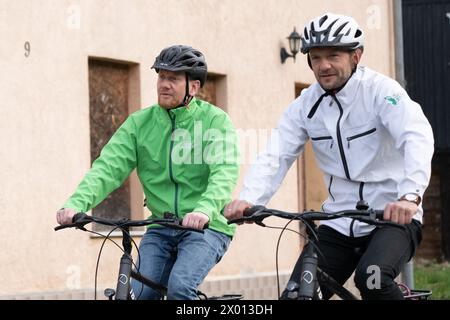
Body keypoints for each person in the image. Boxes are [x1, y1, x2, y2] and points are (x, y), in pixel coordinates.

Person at [225, 13, 434, 300]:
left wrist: (409, 196)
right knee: (297, 294)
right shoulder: (305, 105)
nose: (324, 66)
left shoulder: (382, 92)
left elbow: (416, 137)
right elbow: (276, 154)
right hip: (338, 221)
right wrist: (250, 199)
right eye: (316, 57)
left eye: (333, 56)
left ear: (356, 56)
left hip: (391, 217)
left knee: (371, 279)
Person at [56, 45, 239, 300]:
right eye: (161, 76)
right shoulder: (139, 124)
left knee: (180, 287)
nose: (164, 84)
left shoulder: (214, 121)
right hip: (160, 226)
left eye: (173, 79)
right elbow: (108, 167)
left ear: (194, 87)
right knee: (140, 295)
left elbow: (224, 172)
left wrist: (204, 210)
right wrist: (77, 203)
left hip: (206, 227)